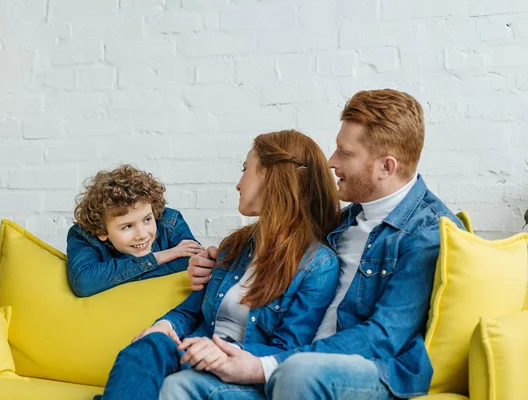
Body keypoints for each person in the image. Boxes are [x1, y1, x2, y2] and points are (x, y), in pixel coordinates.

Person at [170, 89, 463, 400]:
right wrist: (216, 263)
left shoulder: (428, 234)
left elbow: (383, 338)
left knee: (298, 373)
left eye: (345, 153)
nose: (331, 162)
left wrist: (264, 365)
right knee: (182, 385)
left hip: (374, 371)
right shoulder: (342, 221)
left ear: (386, 167)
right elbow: (277, 247)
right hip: (295, 362)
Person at [96, 130, 342, 400]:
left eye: (245, 169)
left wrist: (222, 353)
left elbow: (290, 349)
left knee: (176, 386)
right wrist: (163, 327)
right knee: (146, 346)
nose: (238, 184)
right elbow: (190, 313)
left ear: (270, 176)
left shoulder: (318, 265)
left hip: (242, 373)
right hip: (196, 353)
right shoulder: (235, 248)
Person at [66, 164, 204, 297]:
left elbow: (194, 264)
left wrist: (112, 279)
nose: (142, 235)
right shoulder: (83, 235)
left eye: (147, 220)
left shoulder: (170, 221)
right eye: (127, 226)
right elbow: (84, 283)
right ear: (101, 232)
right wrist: (159, 257)